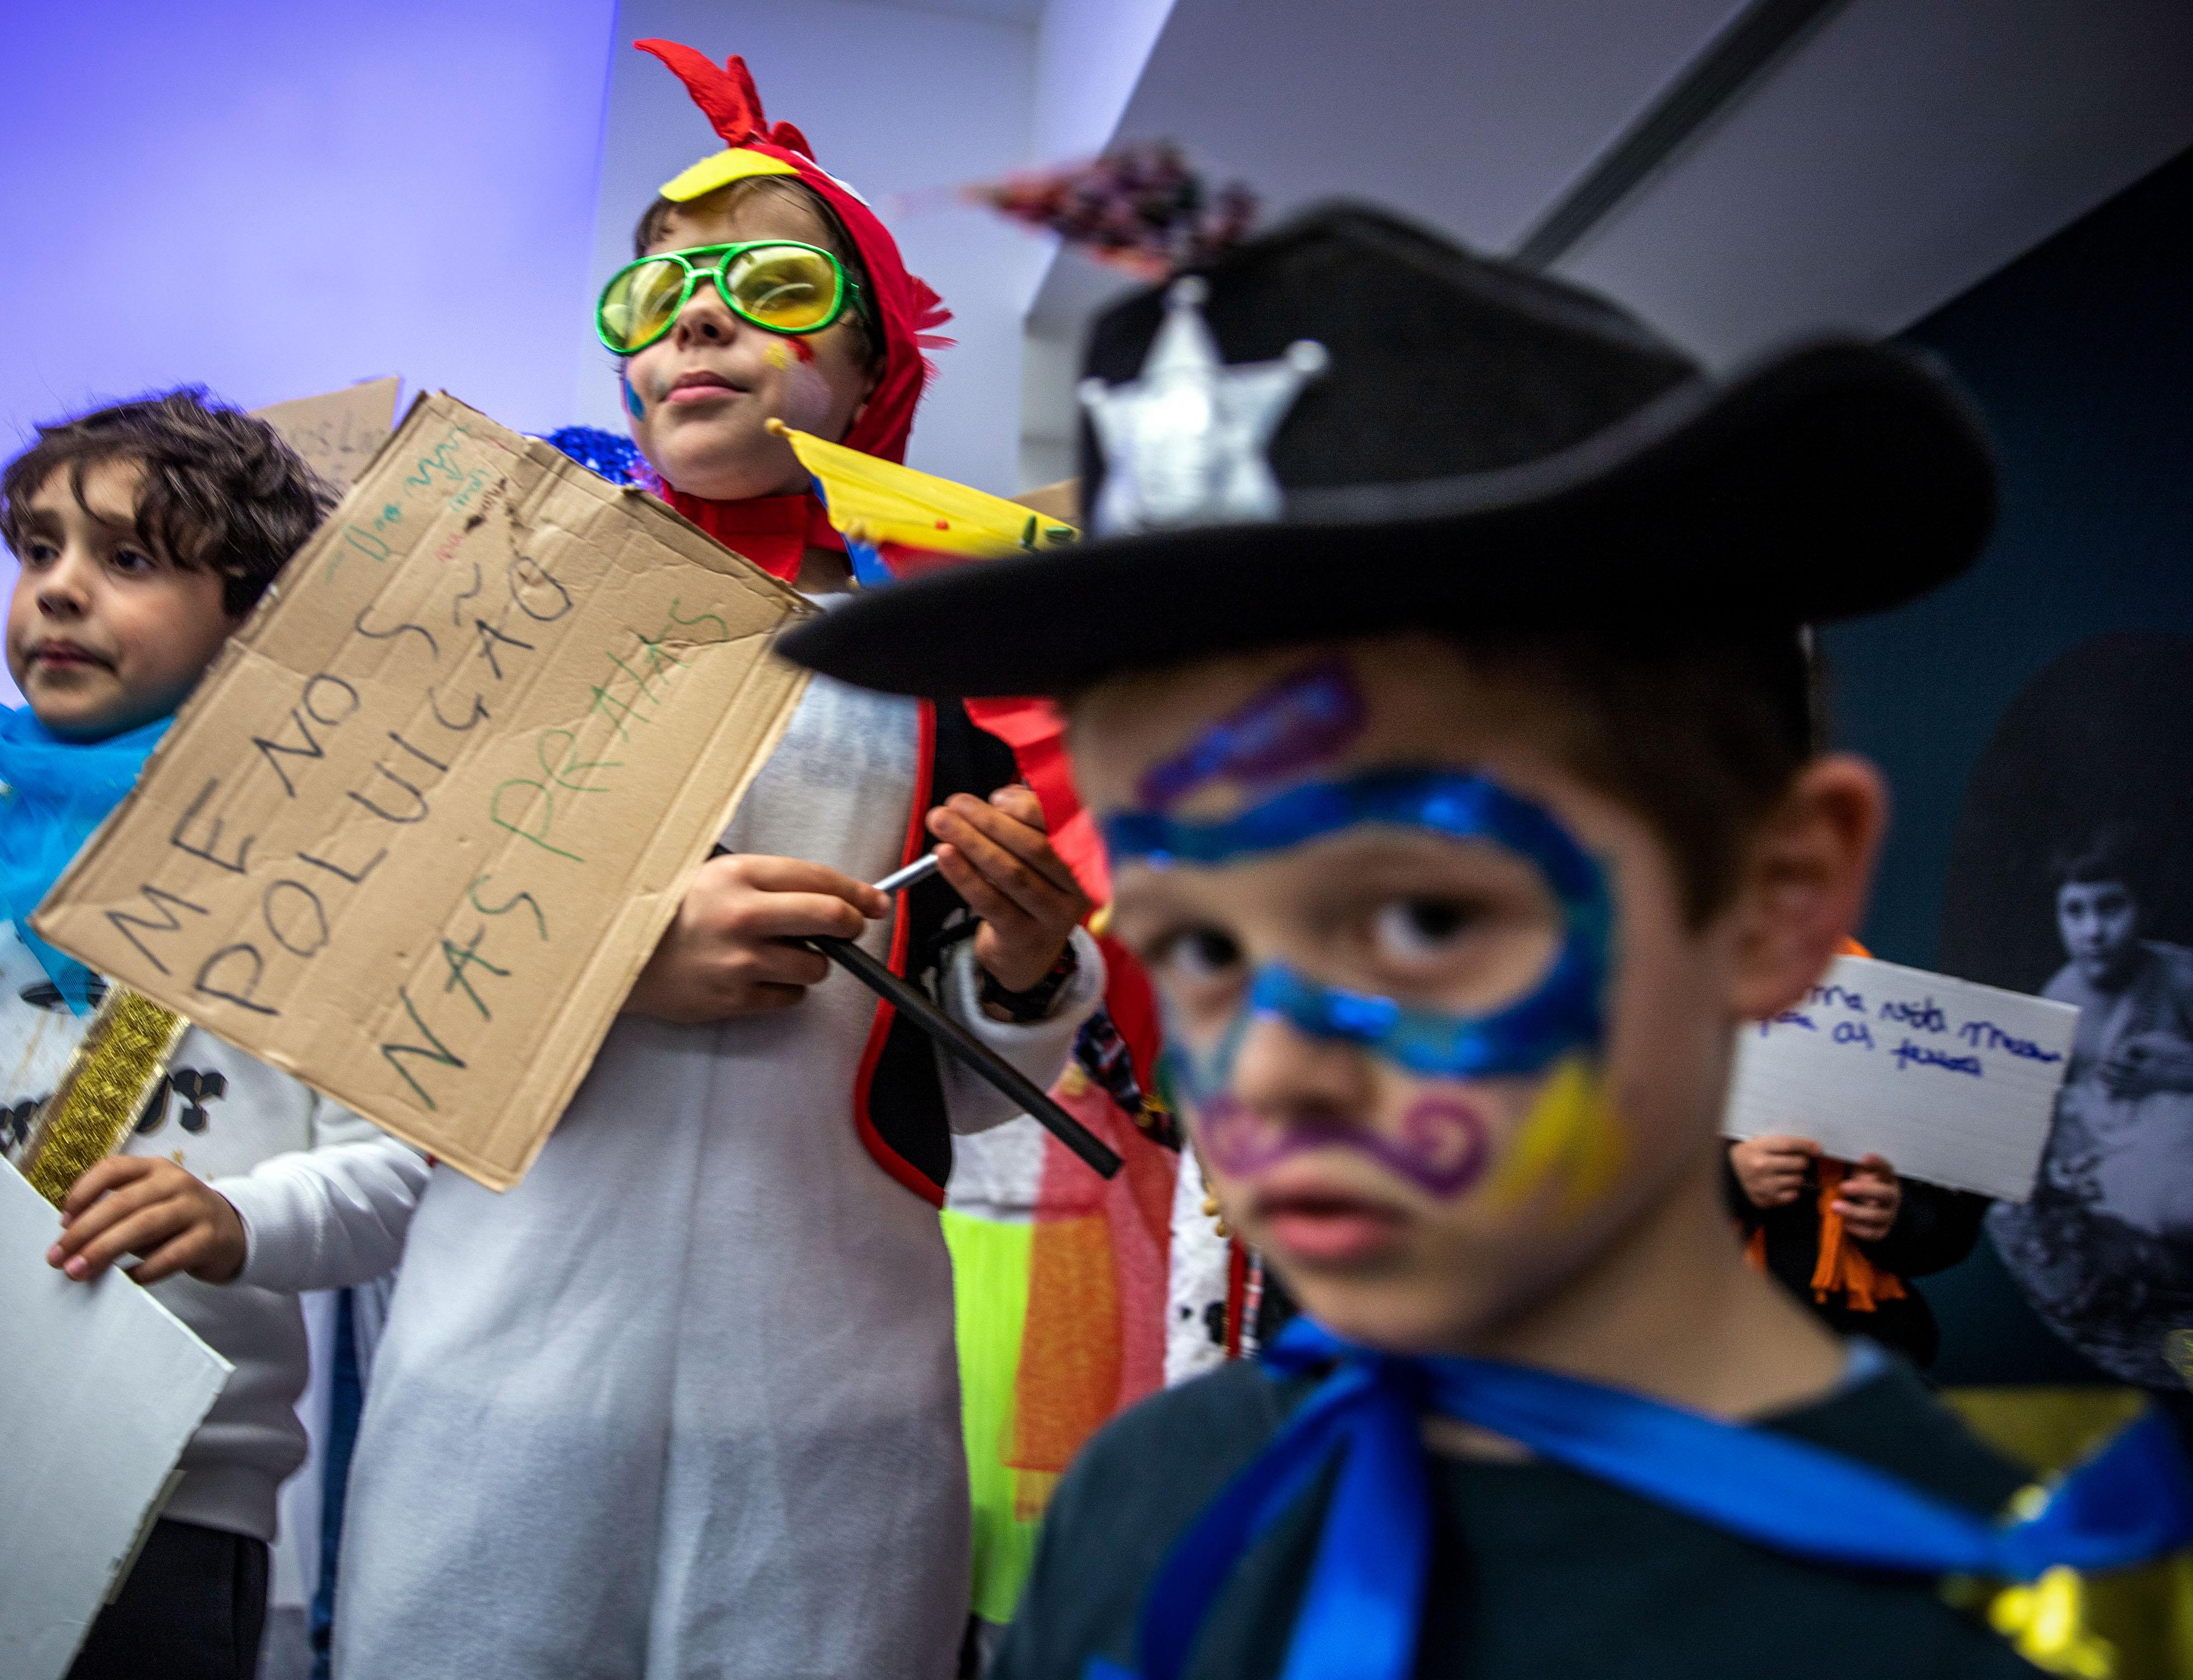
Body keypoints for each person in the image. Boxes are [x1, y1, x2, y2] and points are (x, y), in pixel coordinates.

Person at [777, 203, 2193, 1678]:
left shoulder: (2033, 1622)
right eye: (1198, 943)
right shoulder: (1145, 1505)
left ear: (1777, 895)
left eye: (1422, 918)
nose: (1267, 1071)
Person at [334, 43, 1107, 1680]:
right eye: (655, 293)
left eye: (765, 285)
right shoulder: (494, 618)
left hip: (833, 1404)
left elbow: (966, 1081)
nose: (692, 319)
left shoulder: (961, 664)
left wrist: (1030, 971)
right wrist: (609, 954)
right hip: (499, 1375)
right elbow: (350, 970)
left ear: (873, 369)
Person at [0, 391, 429, 1680]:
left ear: (251, 616)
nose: (57, 589)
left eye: (129, 558)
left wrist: (237, 1215)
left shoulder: (324, 861)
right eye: (38, 548)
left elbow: (397, 1176)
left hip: (167, 1485)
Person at [1989, 822, 2193, 1387]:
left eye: (2111, 908)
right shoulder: (2058, 1003)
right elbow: (2046, 1115)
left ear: (2145, 910)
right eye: (2075, 912)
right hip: (2123, 1170)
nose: (2094, 931)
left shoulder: (2177, 976)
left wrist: (2179, 1067)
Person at [1725, 1135, 1983, 1366]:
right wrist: (1725, 1179)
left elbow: (1953, 1229)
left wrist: (1900, 1215)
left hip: (1864, 1346)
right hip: (1714, 1340)